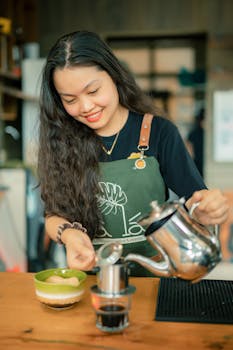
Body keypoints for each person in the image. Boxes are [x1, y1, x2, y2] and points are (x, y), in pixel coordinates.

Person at [38, 30, 229, 276]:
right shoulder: (62, 140)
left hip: (157, 278)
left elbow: (196, 199)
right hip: (92, 281)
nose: (85, 107)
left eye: (93, 91)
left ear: (115, 77)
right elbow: (53, 215)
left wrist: (208, 207)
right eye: (70, 99)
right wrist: (69, 234)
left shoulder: (159, 132)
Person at [186, 108, 205, 176]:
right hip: (198, 166)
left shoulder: (192, 133)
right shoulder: (194, 133)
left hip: (199, 166)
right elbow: (189, 152)